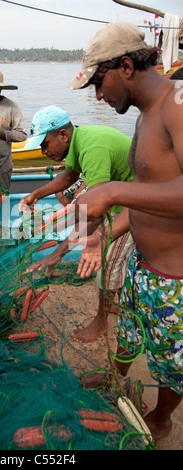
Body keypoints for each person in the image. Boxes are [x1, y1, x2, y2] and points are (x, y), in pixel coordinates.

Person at [68, 21, 183, 442]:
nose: (99, 95)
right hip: (142, 265)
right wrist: (105, 234)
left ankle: (162, 418)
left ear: (127, 66)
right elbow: (147, 198)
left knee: (174, 361)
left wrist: (112, 189)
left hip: (176, 281)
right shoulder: (142, 116)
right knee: (130, 332)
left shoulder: (178, 104)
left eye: (99, 83)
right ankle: (116, 379)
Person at [19, 105, 134, 342]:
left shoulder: (93, 148)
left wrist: (58, 254)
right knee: (97, 236)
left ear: (63, 135)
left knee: (107, 259)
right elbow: (70, 176)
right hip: (121, 193)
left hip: (137, 203)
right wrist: (37, 194)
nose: (43, 152)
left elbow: (94, 214)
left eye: (45, 144)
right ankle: (114, 304)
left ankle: (101, 323)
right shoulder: (78, 141)